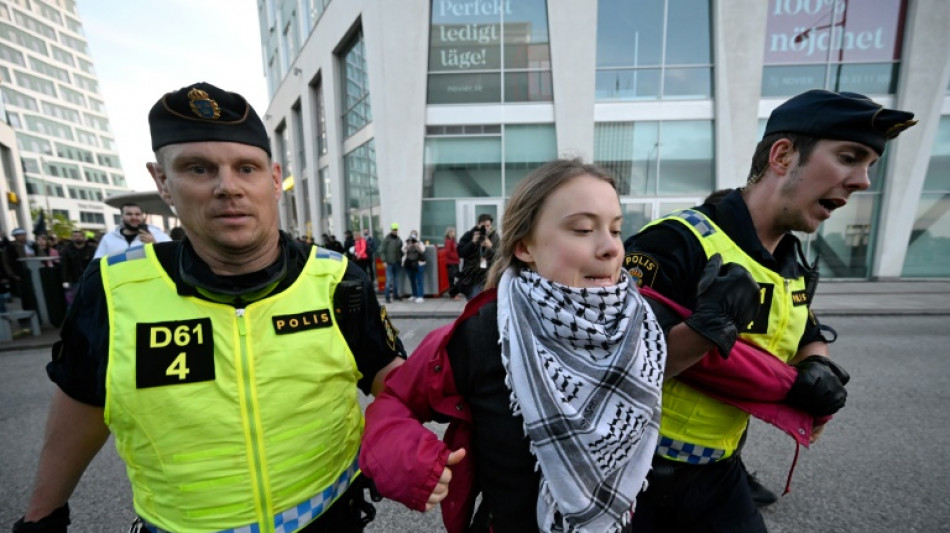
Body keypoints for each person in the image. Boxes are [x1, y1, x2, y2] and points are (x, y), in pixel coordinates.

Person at [14, 81, 406, 533]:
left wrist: (412, 444)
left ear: (274, 179)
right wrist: (43, 516)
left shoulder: (337, 278)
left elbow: (389, 377)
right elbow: (82, 401)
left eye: (246, 168)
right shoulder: (113, 288)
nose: (228, 187)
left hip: (329, 520)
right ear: (162, 181)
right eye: (198, 169)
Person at [623, 89, 916, 531]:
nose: (862, 181)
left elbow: (803, 327)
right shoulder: (675, 240)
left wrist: (818, 363)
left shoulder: (790, 258)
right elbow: (610, 366)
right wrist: (707, 328)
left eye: (869, 166)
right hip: (634, 477)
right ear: (782, 155)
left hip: (720, 474)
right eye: (849, 157)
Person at [360, 158, 667, 532]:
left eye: (616, 230)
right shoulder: (482, 333)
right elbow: (395, 402)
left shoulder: (641, 326)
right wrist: (408, 459)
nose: (611, 249)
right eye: (584, 229)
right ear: (525, 247)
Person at [93, 202, 171, 258]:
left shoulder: (159, 235)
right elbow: (97, 263)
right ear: (122, 216)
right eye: (129, 214)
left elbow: (171, 256)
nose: (134, 217)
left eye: (137, 214)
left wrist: (154, 245)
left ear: (142, 216)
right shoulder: (109, 239)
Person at [455, 213, 499, 299]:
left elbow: (500, 256)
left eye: (488, 226)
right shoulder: (469, 235)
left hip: (488, 277)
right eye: (483, 226)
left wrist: (490, 247)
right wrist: (472, 243)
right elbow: (460, 253)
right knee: (475, 304)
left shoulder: (494, 236)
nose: (486, 228)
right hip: (472, 278)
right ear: (478, 225)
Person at [59, 230, 97, 306]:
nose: (78, 238)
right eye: (75, 236)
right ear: (72, 238)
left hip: (89, 279)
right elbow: (64, 266)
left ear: (84, 237)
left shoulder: (91, 249)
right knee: (75, 302)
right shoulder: (66, 250)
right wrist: (65, 280)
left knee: (92, 300)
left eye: (80, 236)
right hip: (74, 280)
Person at [3, 228, 36, 311]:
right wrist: (13, 275)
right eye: (20, 235)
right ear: (15, 236)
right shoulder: (10, 248)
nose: (23, 236)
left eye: (24, 234)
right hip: (20, 275)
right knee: (24, 296)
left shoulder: (31, 245)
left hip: (35, 273)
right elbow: (6, 263)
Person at [380, 223, 404, 303]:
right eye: (394, 230)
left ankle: (395, 295)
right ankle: (387, 297)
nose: (395, 231)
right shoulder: (386, 239)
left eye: (396, 230)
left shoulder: (399, 239)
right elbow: (382, 251)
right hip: (389, 263)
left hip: (397, 262)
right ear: (391, 230)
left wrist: (402, 256)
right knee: (389, 280)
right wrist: (384, 261)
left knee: (396, 280)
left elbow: (400, 251)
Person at [402, 230, 426, 303]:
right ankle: (414, 295)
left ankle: (420, 296)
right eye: (412, 234)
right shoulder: (407, 243)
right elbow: (403, 250)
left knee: (419, 280)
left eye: (414, 235)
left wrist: (417, 245)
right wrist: (409, 245)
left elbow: (422, 251)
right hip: (409, 263)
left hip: (418, 263)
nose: (413, 236)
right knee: (412, 280)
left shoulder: (420, 243)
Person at [443, 226, 460, 298]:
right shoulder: (448, 241)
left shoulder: (453, 240)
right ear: (449, 233)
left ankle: (454, 293)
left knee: (455, 278)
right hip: (451, 262)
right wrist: (456, 256)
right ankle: (452, 294)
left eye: (454, 232)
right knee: (452, 279)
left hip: (455, 262)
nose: (454, 233)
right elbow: (448, 252)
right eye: (452, 232)